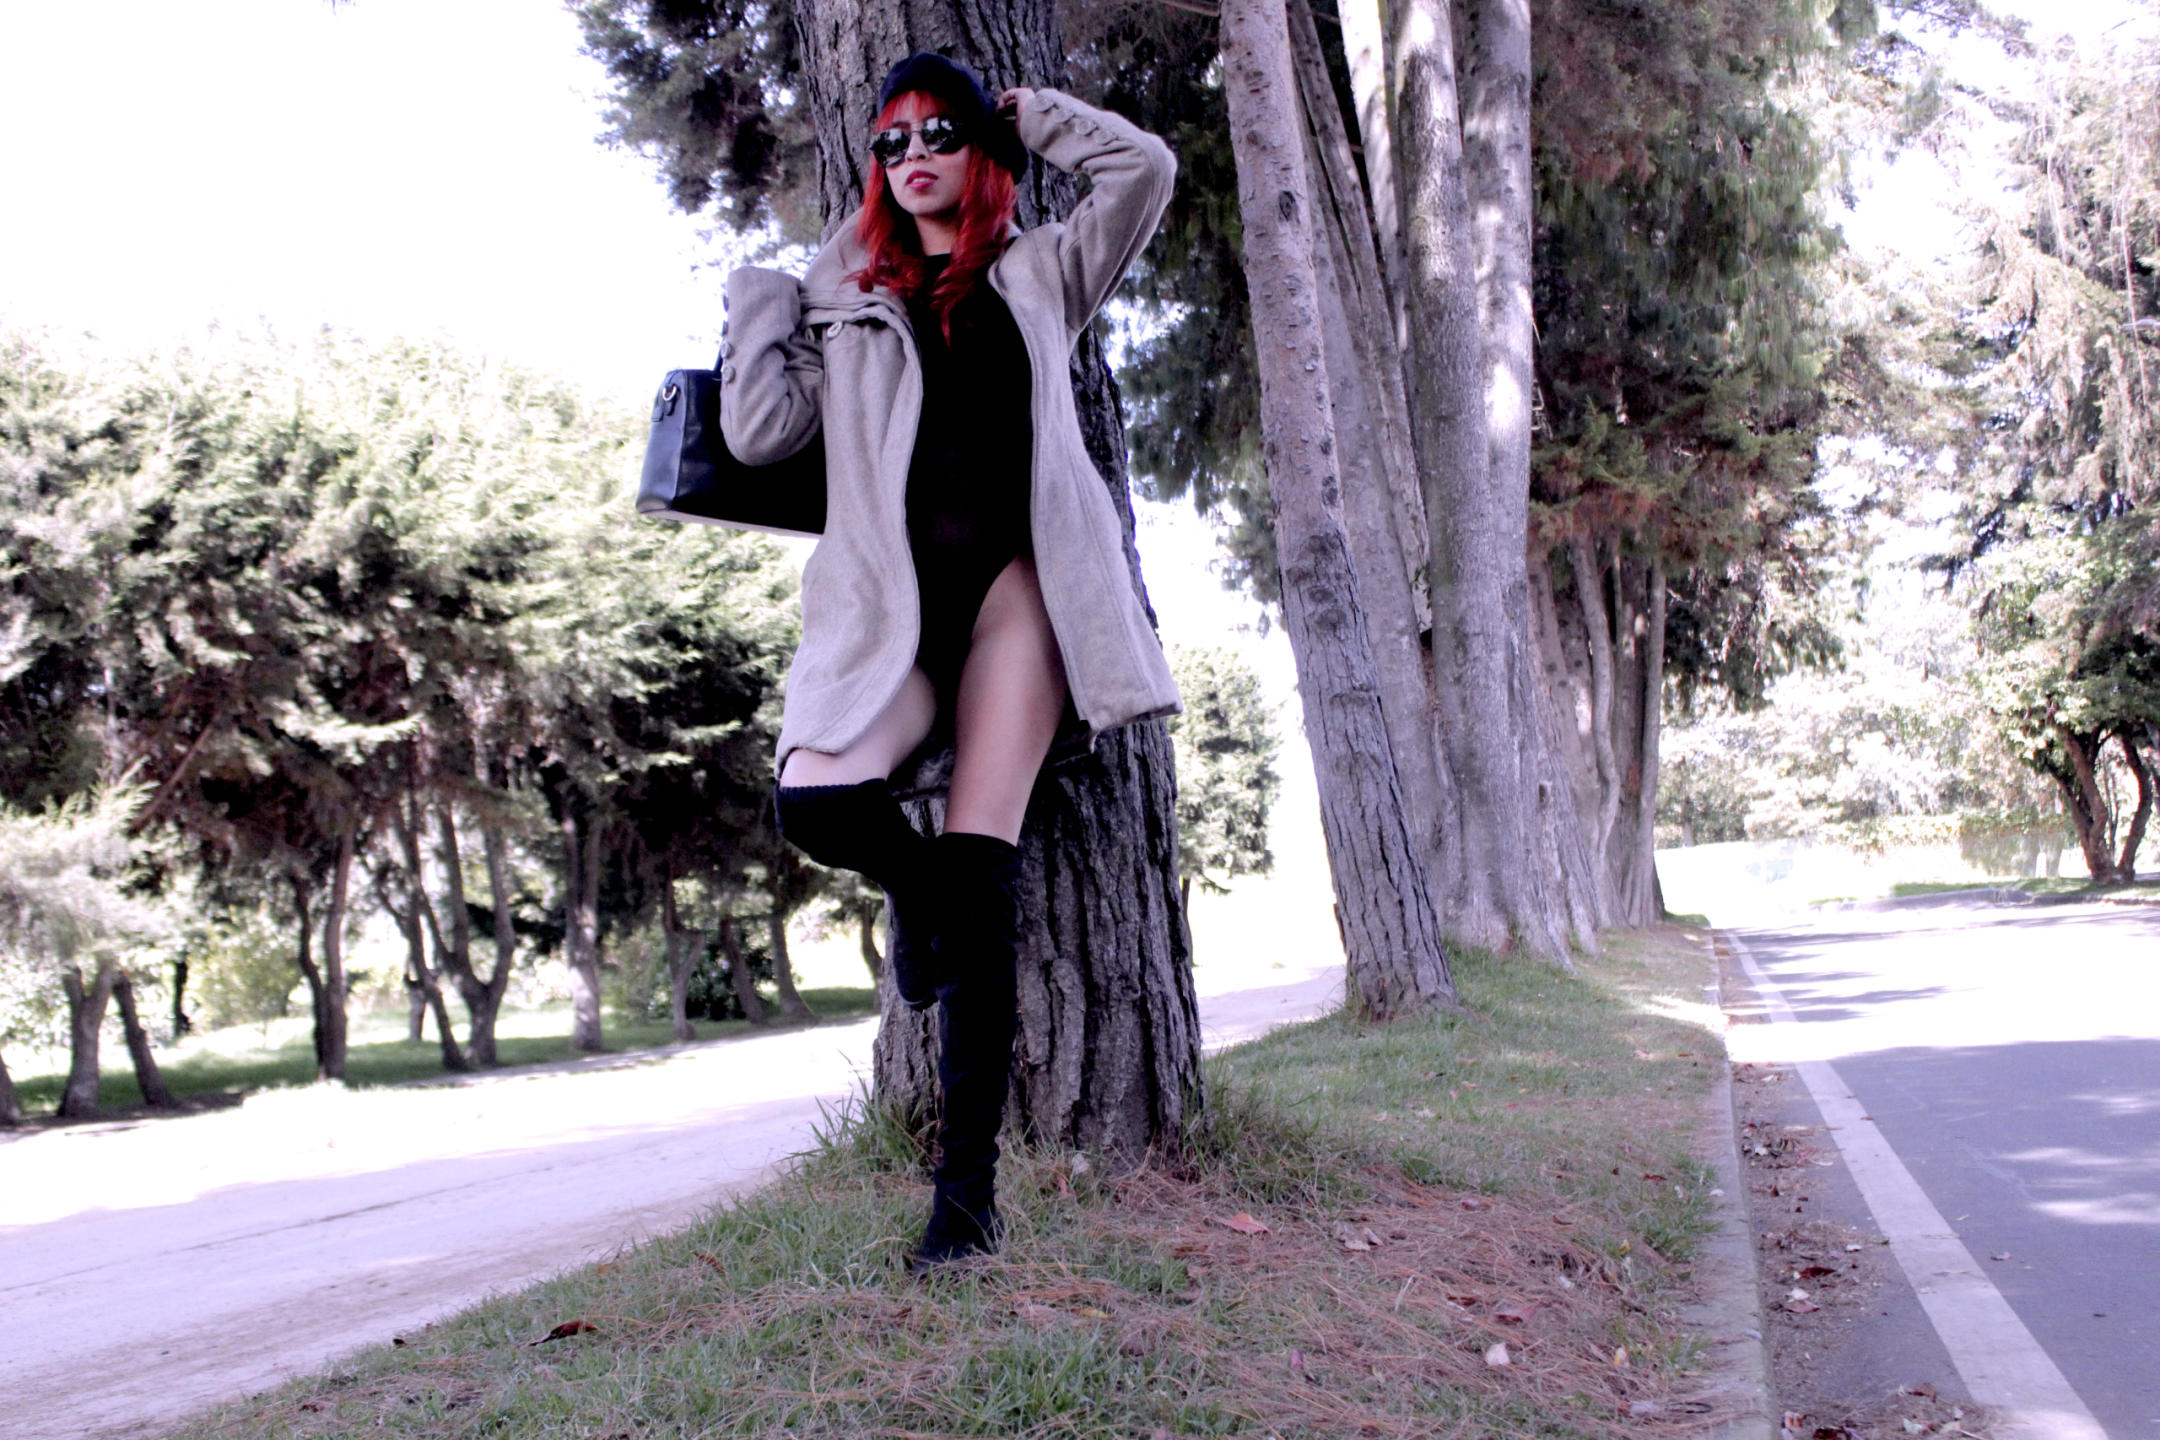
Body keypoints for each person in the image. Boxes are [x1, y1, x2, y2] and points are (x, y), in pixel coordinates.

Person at [718, 54, 1181, 1270]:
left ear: (980, 150)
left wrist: (1034, 117)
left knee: (983, 877)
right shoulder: (845, 302)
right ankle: (915, 896)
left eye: (942, 131)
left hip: (1015, 603)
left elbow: (1145, 172)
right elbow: (757, 433)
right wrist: (764, 296)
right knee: (816, 799)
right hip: (893, 619)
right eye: (893, 139)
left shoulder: (1042, 271)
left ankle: (964, 1204)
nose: (915, 154)